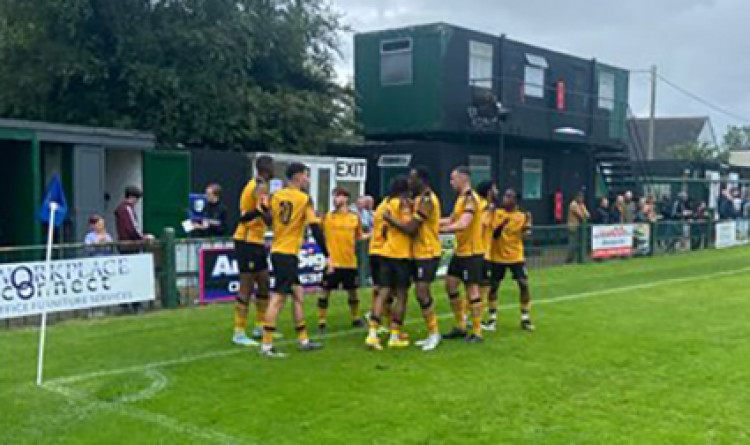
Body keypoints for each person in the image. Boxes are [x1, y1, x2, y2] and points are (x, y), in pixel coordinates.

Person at [260, 162, 329, 358]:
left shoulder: (277, 196)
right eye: (306, 176)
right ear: (298, 176)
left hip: (278, 250)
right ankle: (266, 345)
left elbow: (269, 220)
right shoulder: (304, 199)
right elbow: (315, 228)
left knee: (298, 293)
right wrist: (327, 254)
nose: (307, 179)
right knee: (278, 298)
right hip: (287, 253)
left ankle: (303, 339)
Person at [379, 167, 443, 352]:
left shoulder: (427, 200)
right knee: (409, 291)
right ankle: (425, 332)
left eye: (412, 178)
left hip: (428, 252)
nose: (409, 181)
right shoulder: (417, 199)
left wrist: (390, 220)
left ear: (421, 180)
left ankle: (434, 333)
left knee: (422, 291)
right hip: (416, 252)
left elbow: (411, 228)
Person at [365, 176, 414, 351]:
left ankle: (372, 334)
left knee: (382, 292)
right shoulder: (402, 204)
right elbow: (409, 226)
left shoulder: (383, 204)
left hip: (384, 251)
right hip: (400, 254)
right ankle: (394, 335)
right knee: (401, 295)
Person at [231, 155, 274, 346]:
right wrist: (265, 214)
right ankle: (239, 331)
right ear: (266, 168)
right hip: (246, 240)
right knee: (247, 284)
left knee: (264, 281)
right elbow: (244, 217)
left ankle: (260, 325)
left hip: (257, 241)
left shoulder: (262, 185)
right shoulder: (257, 186)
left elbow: (265, 216)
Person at [439, 166, 485, 343]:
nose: (451, 182)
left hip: (472, 252)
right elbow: (451, 219)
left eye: (453, 179)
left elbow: (463, 223)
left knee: (471, 289)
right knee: (450, 284)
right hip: (461, 251)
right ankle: (460, 325)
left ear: (463, 179)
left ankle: (477, 331)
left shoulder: (470, 199)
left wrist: (441, 231)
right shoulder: (460, 199)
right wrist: (429, 223)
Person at [318, 188, 366, 333]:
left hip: (349, 261)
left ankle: (355, 318)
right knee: (325, 291)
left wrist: (373, 234)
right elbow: (317, 229)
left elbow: (359, 236)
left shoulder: (354, 217)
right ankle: (322, 322)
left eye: (338, 196)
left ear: (346, 198)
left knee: (353, 291)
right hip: (333, 262)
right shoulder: (328, 217)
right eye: (334, 196)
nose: (335, 199)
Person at [487, 188, 535, 331]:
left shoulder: (522, 216)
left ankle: (525, 318)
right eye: (505, 195)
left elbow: (526, 237)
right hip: (498, 257)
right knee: (494, 286)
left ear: (515, 200)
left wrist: (528, 226)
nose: (505, 199)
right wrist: (501, 225)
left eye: (509, 196)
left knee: (523, 284)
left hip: (516, 256)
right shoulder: (497, 213)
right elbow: (494, 235)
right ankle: (492, 318)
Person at [114, 185, 153, 314]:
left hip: (125, 245)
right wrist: (142, 237)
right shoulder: (126, 209)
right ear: (132, 198)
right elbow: (132, 228)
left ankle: (126, 303)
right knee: (133, 274)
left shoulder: (121, 209)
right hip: (130, 246)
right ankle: (134, 303)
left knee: (127, 274)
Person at [565, 191, 590, 264]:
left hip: (580, 228)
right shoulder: (573, 204)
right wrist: (582, 209)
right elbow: (581, 215)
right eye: (580, 197)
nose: (582, 199)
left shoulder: (581, 205)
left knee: (579, 244)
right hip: (573, 227)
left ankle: (580, 260)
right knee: (572, 245)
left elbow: (588, 215)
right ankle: (568, 261)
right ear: (577, 197)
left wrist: (583, 208)